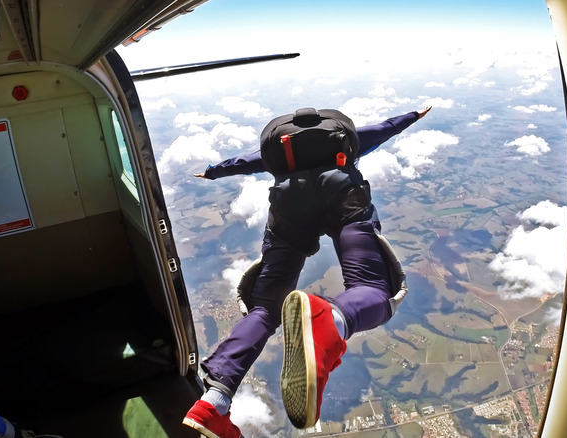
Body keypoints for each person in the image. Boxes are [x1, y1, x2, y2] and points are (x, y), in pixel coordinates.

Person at [182, 106, 432, 438]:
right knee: (373, 286)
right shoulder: (343, 140)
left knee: (265, 308)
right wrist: (413, 115)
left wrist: (213, 171)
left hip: (288, 207)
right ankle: (333, 318)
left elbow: (246, 162)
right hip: (345, 197)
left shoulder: (281, 152)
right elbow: (384, 128)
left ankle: (214, 402)